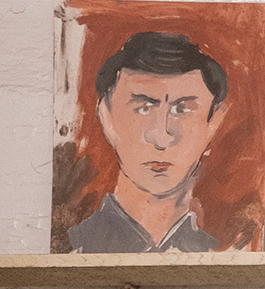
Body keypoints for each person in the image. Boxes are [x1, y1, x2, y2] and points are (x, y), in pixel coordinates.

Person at [68, 31, 228, 253]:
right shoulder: (73, 248)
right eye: (143, 108)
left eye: (182, 109)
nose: (162, 138)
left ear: (214, 123)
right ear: (106, 118)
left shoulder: (225, 253)